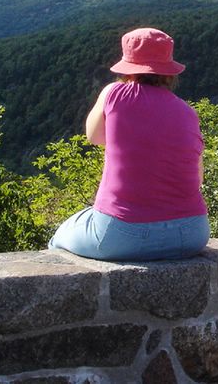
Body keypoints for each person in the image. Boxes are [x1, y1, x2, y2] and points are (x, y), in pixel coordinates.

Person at [49, 27, 209, 260]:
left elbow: (94, 137)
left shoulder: (114, 93)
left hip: (121, 233)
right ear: (169, 71)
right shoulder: (188, 113)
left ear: (128, 66)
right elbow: (198, 177)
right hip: (191, 233)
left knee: (60, 237)